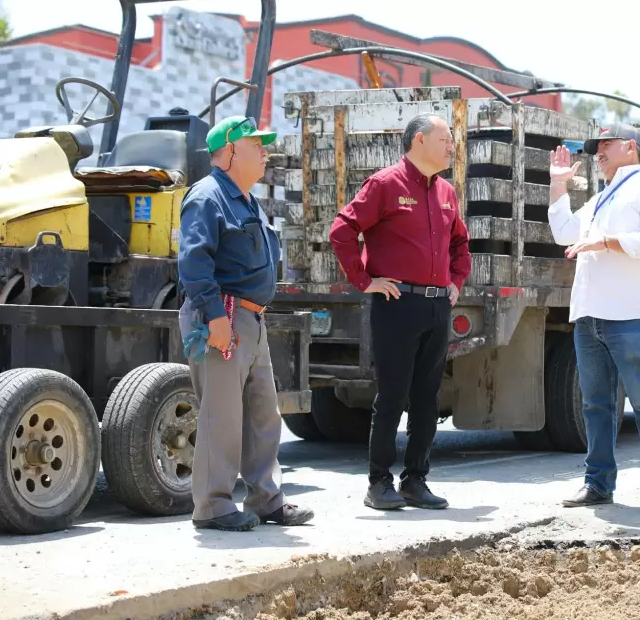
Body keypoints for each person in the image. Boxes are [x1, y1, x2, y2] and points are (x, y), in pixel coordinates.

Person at [177, 115, 315, 531]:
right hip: (224, 313)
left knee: (262, 414)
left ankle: (267, 499)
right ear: (232, 149)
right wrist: (215, 317)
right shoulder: (207, 197)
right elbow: (194, 262)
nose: (265, 152)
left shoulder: (245, 198)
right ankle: (213, 506)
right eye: (257, 145)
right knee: (222, 415)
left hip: (252, 319)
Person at [329, 113, 472, 511]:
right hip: (396, 304)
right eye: (445, 139)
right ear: (420, 141)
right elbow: (342, 230)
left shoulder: (446, 192)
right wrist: (364, 280)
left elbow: (461, 243)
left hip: (436, 306)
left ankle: (416, 480)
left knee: (428, 398)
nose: (451, 147)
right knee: (392, 396)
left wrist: (456, 282)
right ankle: (379, 483)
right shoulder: (385, 184)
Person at [546, 122, 640, 515]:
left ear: (630, 147)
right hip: (590, 315)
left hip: (630, 315)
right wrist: (558, 185)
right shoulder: (602, 197)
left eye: (605, 145)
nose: (598, 153)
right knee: (596, 404)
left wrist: (606, 242)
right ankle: (598, 483)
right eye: (596, 147)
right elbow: (563, 232)